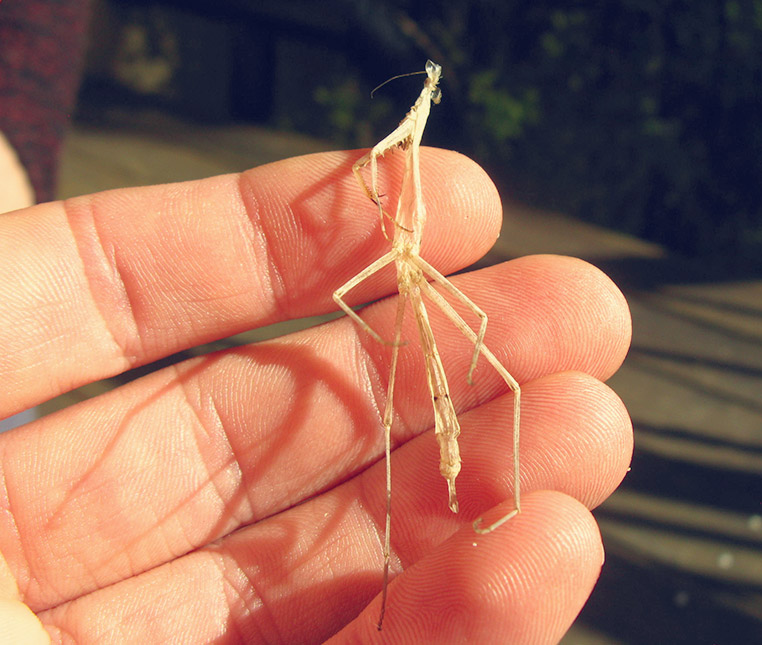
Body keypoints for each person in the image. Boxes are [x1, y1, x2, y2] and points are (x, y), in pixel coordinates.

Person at [0, 147, 632, 643]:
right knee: (410, 422)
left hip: (427, 325)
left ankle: (510, 507)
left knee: (510, 379)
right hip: (410, 310)